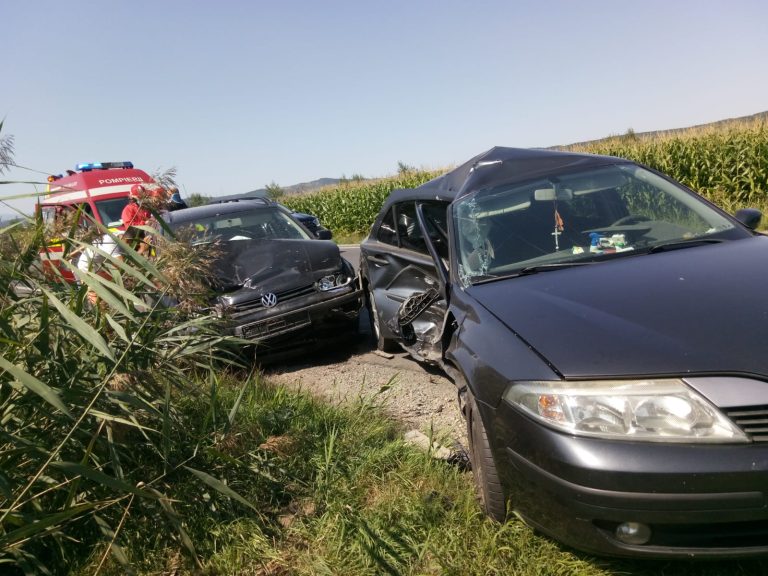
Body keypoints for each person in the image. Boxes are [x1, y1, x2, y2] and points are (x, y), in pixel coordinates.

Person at [121, 184, 152, 255]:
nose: (143, 199)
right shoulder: (128, 209)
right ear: (134, 197)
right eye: (141, 197)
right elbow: (129, 226)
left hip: (148, 234)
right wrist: (145, 223)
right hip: (136, 239)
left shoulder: (145, 208)